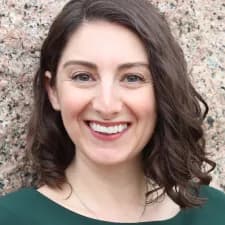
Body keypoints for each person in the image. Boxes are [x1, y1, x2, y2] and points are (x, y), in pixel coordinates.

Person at [0, 0, 225, 224]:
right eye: (83, 76)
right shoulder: (11, 218)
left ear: (162, 90)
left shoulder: (216, 212)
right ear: (53, 91)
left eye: (132, 78)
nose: (106, 106)